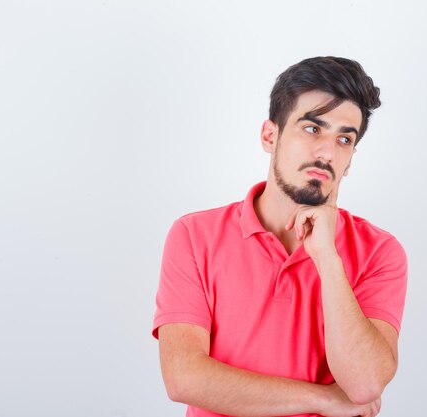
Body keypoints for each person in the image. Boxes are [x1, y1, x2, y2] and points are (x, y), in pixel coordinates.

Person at [152, 56, 408, 417]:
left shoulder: (380, 252)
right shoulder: (194, 236)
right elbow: (183, 378)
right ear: (270, 136)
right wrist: (323, 400)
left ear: (350, 159)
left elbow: (364, 383)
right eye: (312, 129)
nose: (326, 152)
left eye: (344, 139)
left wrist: (327, 258)